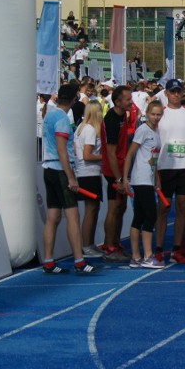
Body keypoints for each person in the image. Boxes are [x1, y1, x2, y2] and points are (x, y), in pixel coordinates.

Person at [40, 83, 100, 275]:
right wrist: (71, 177)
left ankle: (48, 261)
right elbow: (61, 149)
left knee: (53, 216)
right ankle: (79, 261)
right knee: (72, 216)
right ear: (74, 99)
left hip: (49, 167)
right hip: (60, 169)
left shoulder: (49, 115)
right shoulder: (63, 120)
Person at [156, 78, 185, 264]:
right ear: (166, 93)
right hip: (164, 167)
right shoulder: (160, 114)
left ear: (182, 93)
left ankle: (176, 249)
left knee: (182, 207)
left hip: (184, 168)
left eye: (178, 91)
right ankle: (158, 248)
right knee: (163, 209)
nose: (175, 94)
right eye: (172, 91)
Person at [122, 100, 164, 268]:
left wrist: (156, 177)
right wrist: (125, 178)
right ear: (147, 112)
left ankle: (136, 256)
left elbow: (153, 158)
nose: (156, 117)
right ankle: (147, 255)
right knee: (150, 215)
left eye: (159, 114)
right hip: (140, 178)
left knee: (139, 217)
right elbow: (130, 154)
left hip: (149, 177)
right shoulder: (142, 130)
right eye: (153, 114)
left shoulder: (156, 131)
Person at [99, 85, 133, 262]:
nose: (131, 101)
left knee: (122, 207)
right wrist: (118, 178)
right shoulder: (111, 119)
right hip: (113, 170)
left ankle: (116, 242)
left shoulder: (123, 115)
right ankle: (108, 246)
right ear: (118, 102)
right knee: (113, 209)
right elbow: (110, 153)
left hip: (121, 168)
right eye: (128, 99)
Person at [74, 100, 104, 258]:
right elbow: (87, 155)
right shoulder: (91, 130)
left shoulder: (80, 128)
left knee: (92, 209)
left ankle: (89, 244)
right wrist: (104, 157)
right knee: (91, 210)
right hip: (89, 173)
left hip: (84, 172)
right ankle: (87, 245)